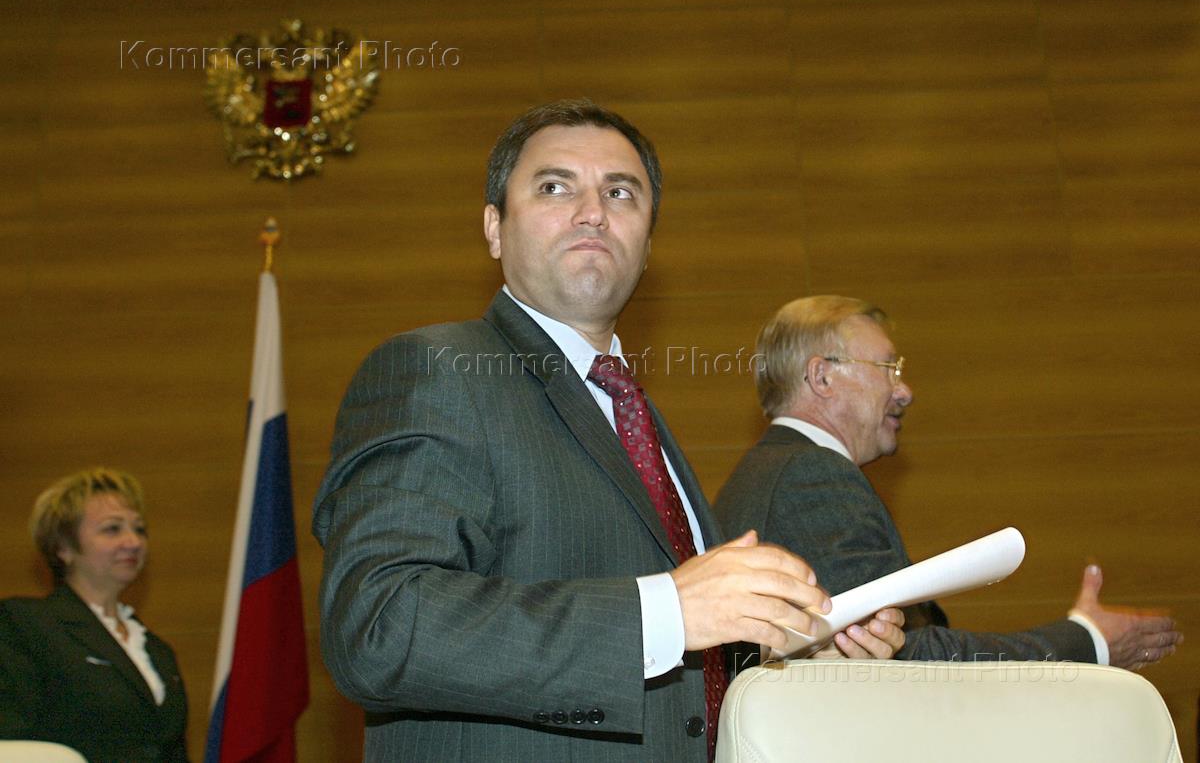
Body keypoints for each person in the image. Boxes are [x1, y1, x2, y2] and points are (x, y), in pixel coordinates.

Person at [312, 101, 905, 762]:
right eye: (554, 187)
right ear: (494, 229)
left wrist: (789, 650)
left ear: (647, 246)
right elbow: (379, 625)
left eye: (620, 192)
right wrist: (668, 609)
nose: (592, 211)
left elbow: (674, 668)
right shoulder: (438, 370)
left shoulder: (634, 415)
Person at [716, 295, 1183, 668]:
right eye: (889, 368)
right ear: (822, 377)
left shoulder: (761, 475)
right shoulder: (812, 476)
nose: (905, 390)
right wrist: (1084, 642)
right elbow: (908, 660)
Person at [0, 468, 189, 762]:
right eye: (113, 529)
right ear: (63, 547)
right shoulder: (24, 625)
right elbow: (12, 738)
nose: (134, 542)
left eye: (139, 529)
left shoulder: (157, 651)